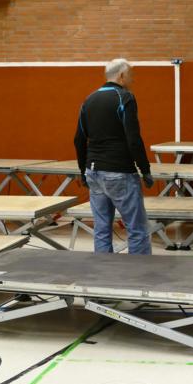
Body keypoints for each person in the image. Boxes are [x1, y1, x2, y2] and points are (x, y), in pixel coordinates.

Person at [74, 59, 154, 255]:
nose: (133, 79)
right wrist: (145, 169)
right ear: (121, 76)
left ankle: (104, 270)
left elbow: (79, 139)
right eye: (131, 75)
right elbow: (133, 139)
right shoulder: (125, 97)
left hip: (94, 172)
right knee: (137, 229)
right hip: (120, 172)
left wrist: (83, 171)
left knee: (101, 229)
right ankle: (141, 271)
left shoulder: (89, 100)